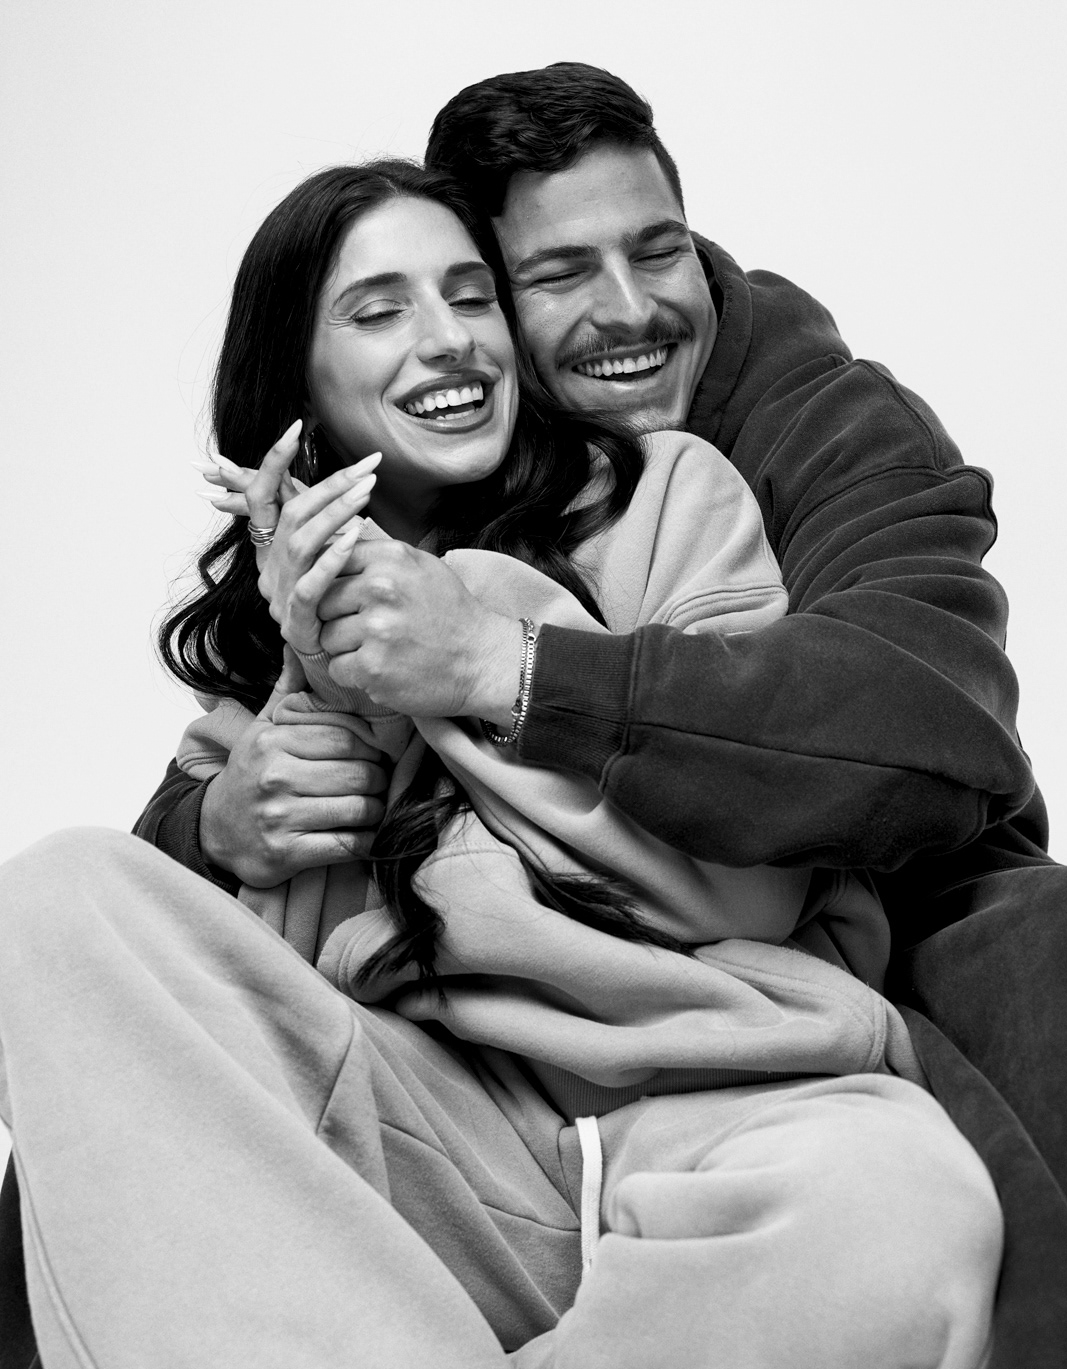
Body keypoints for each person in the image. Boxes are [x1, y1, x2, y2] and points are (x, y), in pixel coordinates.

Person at [0, 159, 1003, 1369]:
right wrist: (288, 730)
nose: (447, 339)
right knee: (55, 899)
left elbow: (742, 889)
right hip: (424, 1149)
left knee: (900, 1206)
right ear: (299, 385)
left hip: (720, 1105)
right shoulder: (278, 643)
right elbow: (239, 1023)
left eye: (471, 296)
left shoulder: (668, 498)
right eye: (379, 311)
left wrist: (479, 646)